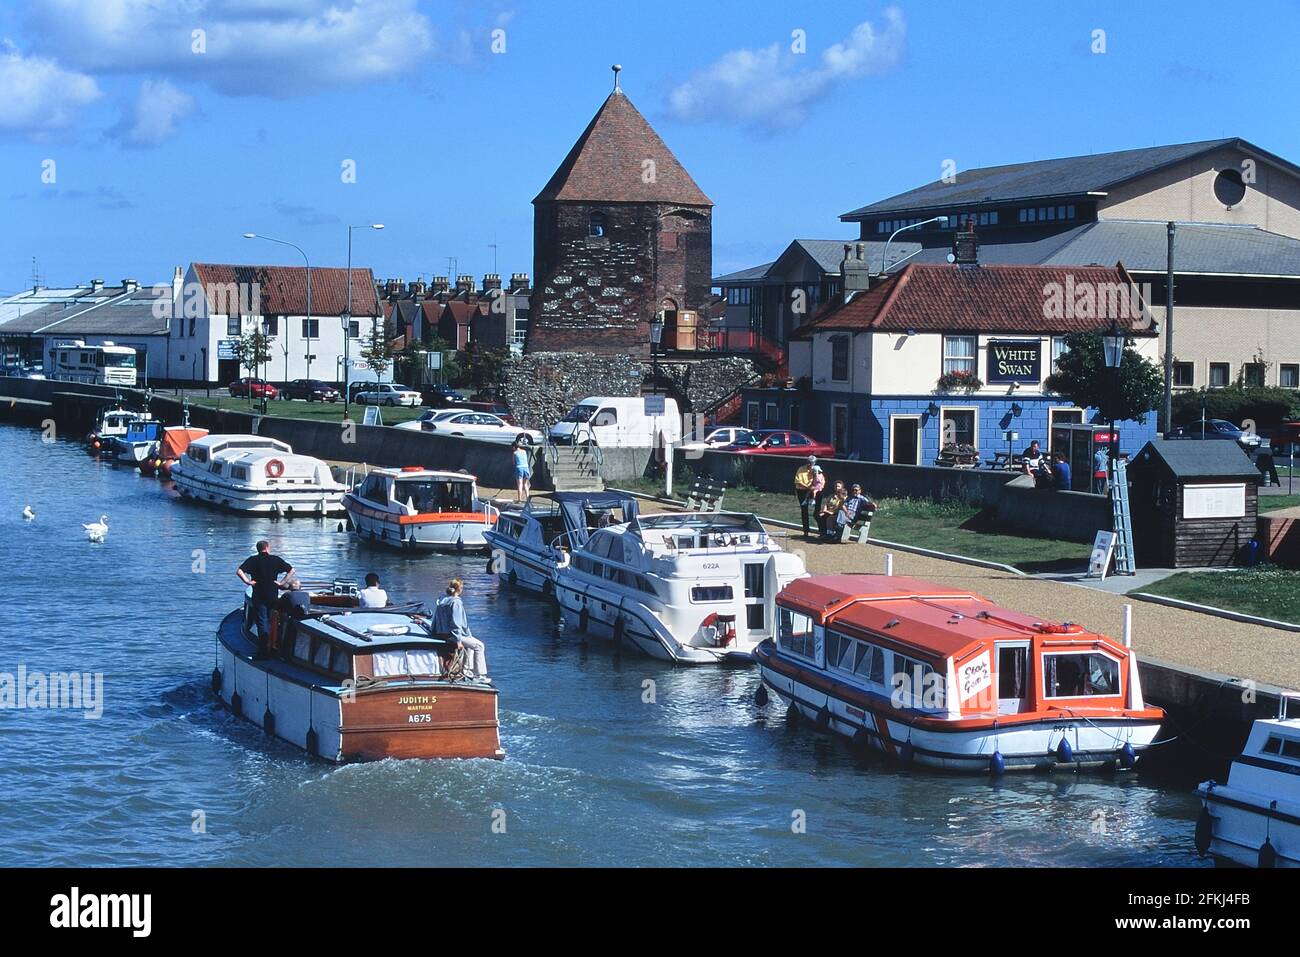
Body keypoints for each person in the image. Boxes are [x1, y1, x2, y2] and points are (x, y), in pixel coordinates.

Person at [237, 541, 294, 656]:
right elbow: (292, 570)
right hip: (272, 594)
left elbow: (239, 571)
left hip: (259, 594)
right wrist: (282, 583)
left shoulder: (253, 560)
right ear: (267, 548)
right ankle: (274, 644)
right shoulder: (275, 559)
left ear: (258, 549)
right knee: (272, 619)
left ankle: (263, 649)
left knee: (262, 621)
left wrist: (248, 581)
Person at [432, 579, 487, 679]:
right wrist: (457, 640)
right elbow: (456, 622)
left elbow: (436, 618)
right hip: (452, 635)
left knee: (470, 645)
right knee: (479, 646)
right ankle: (480, 674)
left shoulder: (442, 599)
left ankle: (466, 670)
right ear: (460, 589)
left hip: (441, 632)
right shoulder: (456, 602)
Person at [276, 579, 312, 657]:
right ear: (300, 587)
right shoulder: (306, 594)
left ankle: (283, 653)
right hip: (305, 618)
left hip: (293, 620)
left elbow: (279, 607)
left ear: (290, 587)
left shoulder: (287, 595)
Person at [793, 456, 825, 538]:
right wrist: (807, 487)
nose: (809, 464)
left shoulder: (816, 469)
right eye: (808, 462)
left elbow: (821, 480)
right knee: (804, 510)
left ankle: (822, 531)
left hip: (814, 490)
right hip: (802, 490)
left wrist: (817, 487)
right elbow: (798, 481)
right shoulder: (801, 469)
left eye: (811, 463)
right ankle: (806, 531)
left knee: (817, 511)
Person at [512, 437, 532, 503]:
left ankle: (519, 499)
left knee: (519, 484)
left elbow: (514, 462)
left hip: (519, 468)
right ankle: (528, 499)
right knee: (525, 484)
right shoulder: (524, 451)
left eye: (512, 447)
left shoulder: (515, 453)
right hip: (526, 468)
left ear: (514, 447)